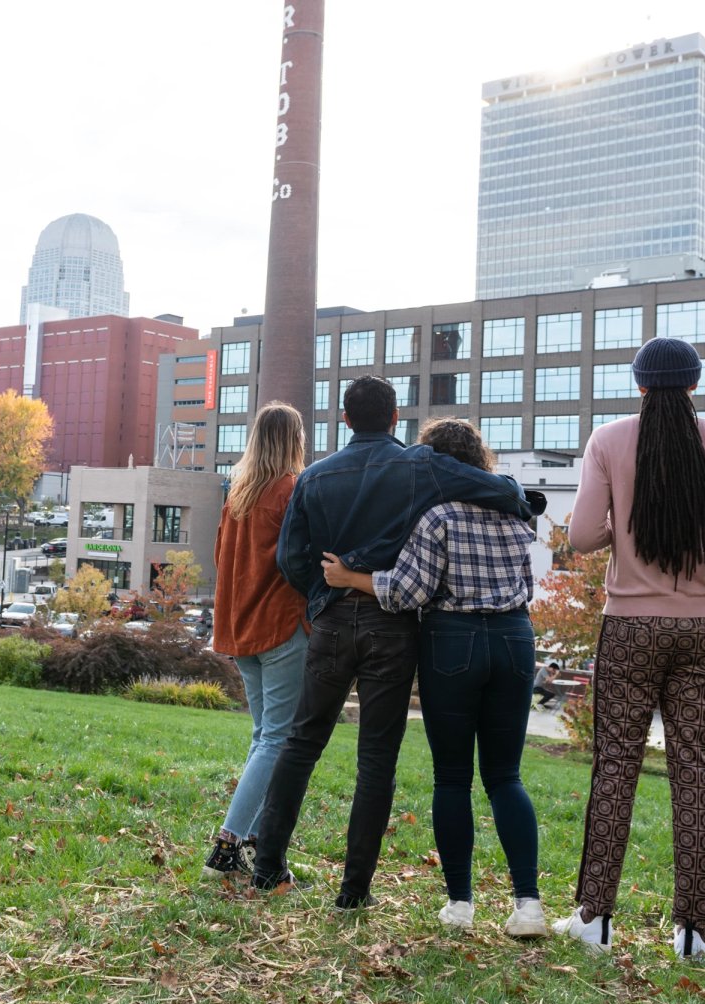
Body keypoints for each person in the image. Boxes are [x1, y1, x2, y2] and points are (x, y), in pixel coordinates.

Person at [249, 376, 543, 911]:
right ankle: (353, 891)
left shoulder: (313, 478)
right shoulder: (419, 465)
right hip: (394, 624)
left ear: (344, 420)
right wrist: (525, 501)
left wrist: (324, 594)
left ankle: (267, 865)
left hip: (335, 620)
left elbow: (291, 560)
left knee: (300, 743)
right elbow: (501, 491)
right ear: (395, 418)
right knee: (376, 757)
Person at [554, 337, 705, 962]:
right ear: (693, 386)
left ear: (639, 386)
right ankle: (692, 933)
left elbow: (579, 537)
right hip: (701, 631)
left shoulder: (607, 441)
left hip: (629, 630)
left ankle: (595, 919)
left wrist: (623, 526)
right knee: (695, 773)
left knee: (615, 770)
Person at [320, 419, 546, 936]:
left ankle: (461, 905)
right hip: (515, 639)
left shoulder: (437, 516)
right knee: (506, 777)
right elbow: (527, 585)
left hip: (453, 640)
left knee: (452, 778)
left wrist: (349, 577)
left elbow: (407, 591)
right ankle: (528, 906)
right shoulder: (516, 515)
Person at [203, 403, 309, 879]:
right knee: (276, 740)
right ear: (294, 440)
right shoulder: (291, 491)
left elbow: (221, 561)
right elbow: (303, 561)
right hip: (281, 626)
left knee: (263, 737)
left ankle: (247, 843)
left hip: (241, 629)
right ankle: (226, 848)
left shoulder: (237, 496)